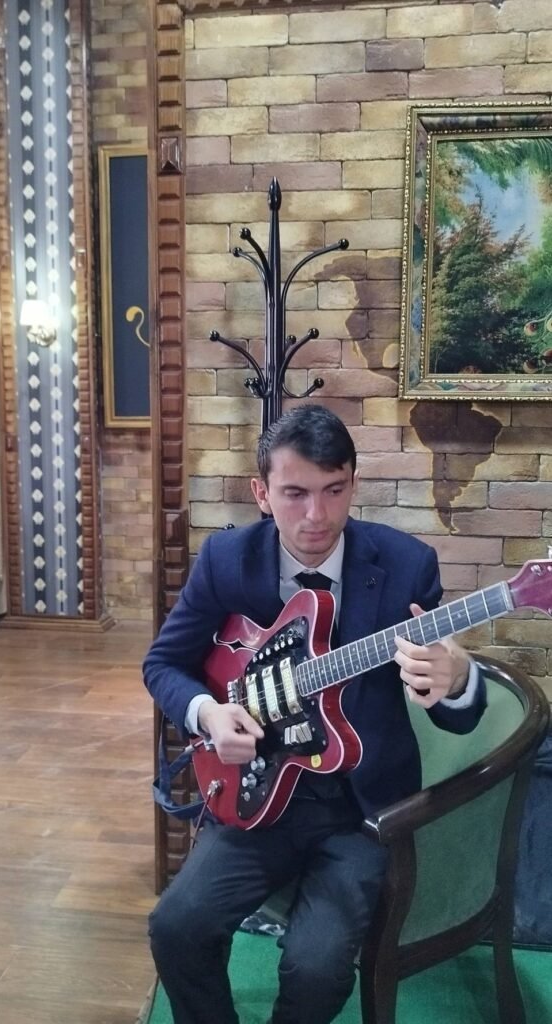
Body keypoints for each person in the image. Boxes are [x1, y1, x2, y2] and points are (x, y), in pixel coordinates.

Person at [143, 404, 486, 1024]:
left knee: (317, 966)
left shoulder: (406, 565)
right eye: (295, 493)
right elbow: (163, 664)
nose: (317, 516)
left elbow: (457, 716)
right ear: (262, 493)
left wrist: (457, 678)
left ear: (353, 483)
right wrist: (209, 714)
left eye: (334, 490)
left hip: (357, 810)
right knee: (176, 926)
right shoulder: (226, 560)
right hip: (252, 795)